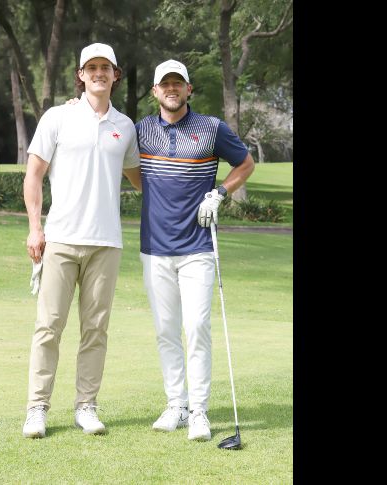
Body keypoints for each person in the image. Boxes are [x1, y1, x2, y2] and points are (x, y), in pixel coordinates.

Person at [21, 42, 142, 439]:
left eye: (105, 67)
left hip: (106, 242)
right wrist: (35, 227)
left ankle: (86, 406)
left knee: (95, 329)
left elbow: (140, 180)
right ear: (81, 74)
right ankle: (37, 408)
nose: (98, 73)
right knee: (48, 327)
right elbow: (34, 174)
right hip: (60, 238)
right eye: (91, 67)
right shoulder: (58, 117)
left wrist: (187, 185)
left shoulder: (125, 127)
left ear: (115, 75)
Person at [137, 59, 255, 441]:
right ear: (155, 91)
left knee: (198, 327)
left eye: (178, 83)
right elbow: (115, 151)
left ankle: (199, 411)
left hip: (198, 247)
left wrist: (220, 193)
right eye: (165, 84)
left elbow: (245, 163)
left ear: (188, 89)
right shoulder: (141, 131)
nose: (172, 89)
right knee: (166, 330)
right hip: (154, 248)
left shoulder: (211, 128)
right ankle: (177, 405)